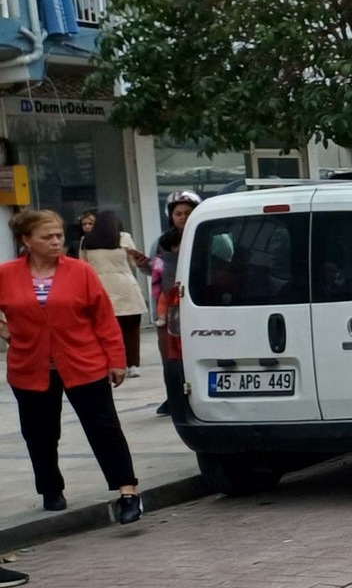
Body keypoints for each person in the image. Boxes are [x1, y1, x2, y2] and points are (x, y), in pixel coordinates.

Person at [0, 209, 144, 523]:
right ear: (26, 240)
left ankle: (128, 492)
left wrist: (116, 360)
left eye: (59, 236)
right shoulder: (7, 273)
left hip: (85, 362)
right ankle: (51, 489)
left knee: (104, 428)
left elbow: (104, 319)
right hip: (30, 367)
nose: (56, 242)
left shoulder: (80, 271)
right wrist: (4, 329)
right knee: (40, 434)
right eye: (46, 237)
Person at [78, 209, 149, 372]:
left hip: (100, 287)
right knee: (131, 329)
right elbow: (134, 262)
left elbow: (83, 266)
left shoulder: (85, 240)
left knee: (104, 329)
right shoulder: (124, 238)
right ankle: (132, 364)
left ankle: (109, 363)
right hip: (125, 286)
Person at [152, 190, 201, 416]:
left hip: (198, 303)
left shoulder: (210, 235)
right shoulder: (162, 244)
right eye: (178, 213)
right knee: (170, 355)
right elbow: (157, 272)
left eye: (187, 212)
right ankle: (173, 397)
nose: (182, 217)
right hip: (169, 308)